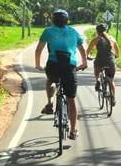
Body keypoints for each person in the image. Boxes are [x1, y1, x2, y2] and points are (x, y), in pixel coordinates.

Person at [35, 9, 87, 140]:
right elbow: (81, 49)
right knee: (71, 99)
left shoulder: (48, 31)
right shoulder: (74, 32)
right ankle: (73, 130)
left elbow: (38, 49)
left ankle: (49, 103)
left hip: (53, 65)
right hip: (70, 66)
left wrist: (37, 64)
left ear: (53, 20)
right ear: (67, 20)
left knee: (51, 81)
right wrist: (84, 62)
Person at [86, 24, 120, 106]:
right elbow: (117, 52)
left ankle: (97, 80)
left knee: (96, 68)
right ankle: (113, 98)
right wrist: (115, 56)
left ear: (97, 31)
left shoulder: (95, 40)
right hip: (110, 62)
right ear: (106, 30)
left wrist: (88, 56)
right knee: (111, 81)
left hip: (99, 61)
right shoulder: (112, 39)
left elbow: (87, 51)